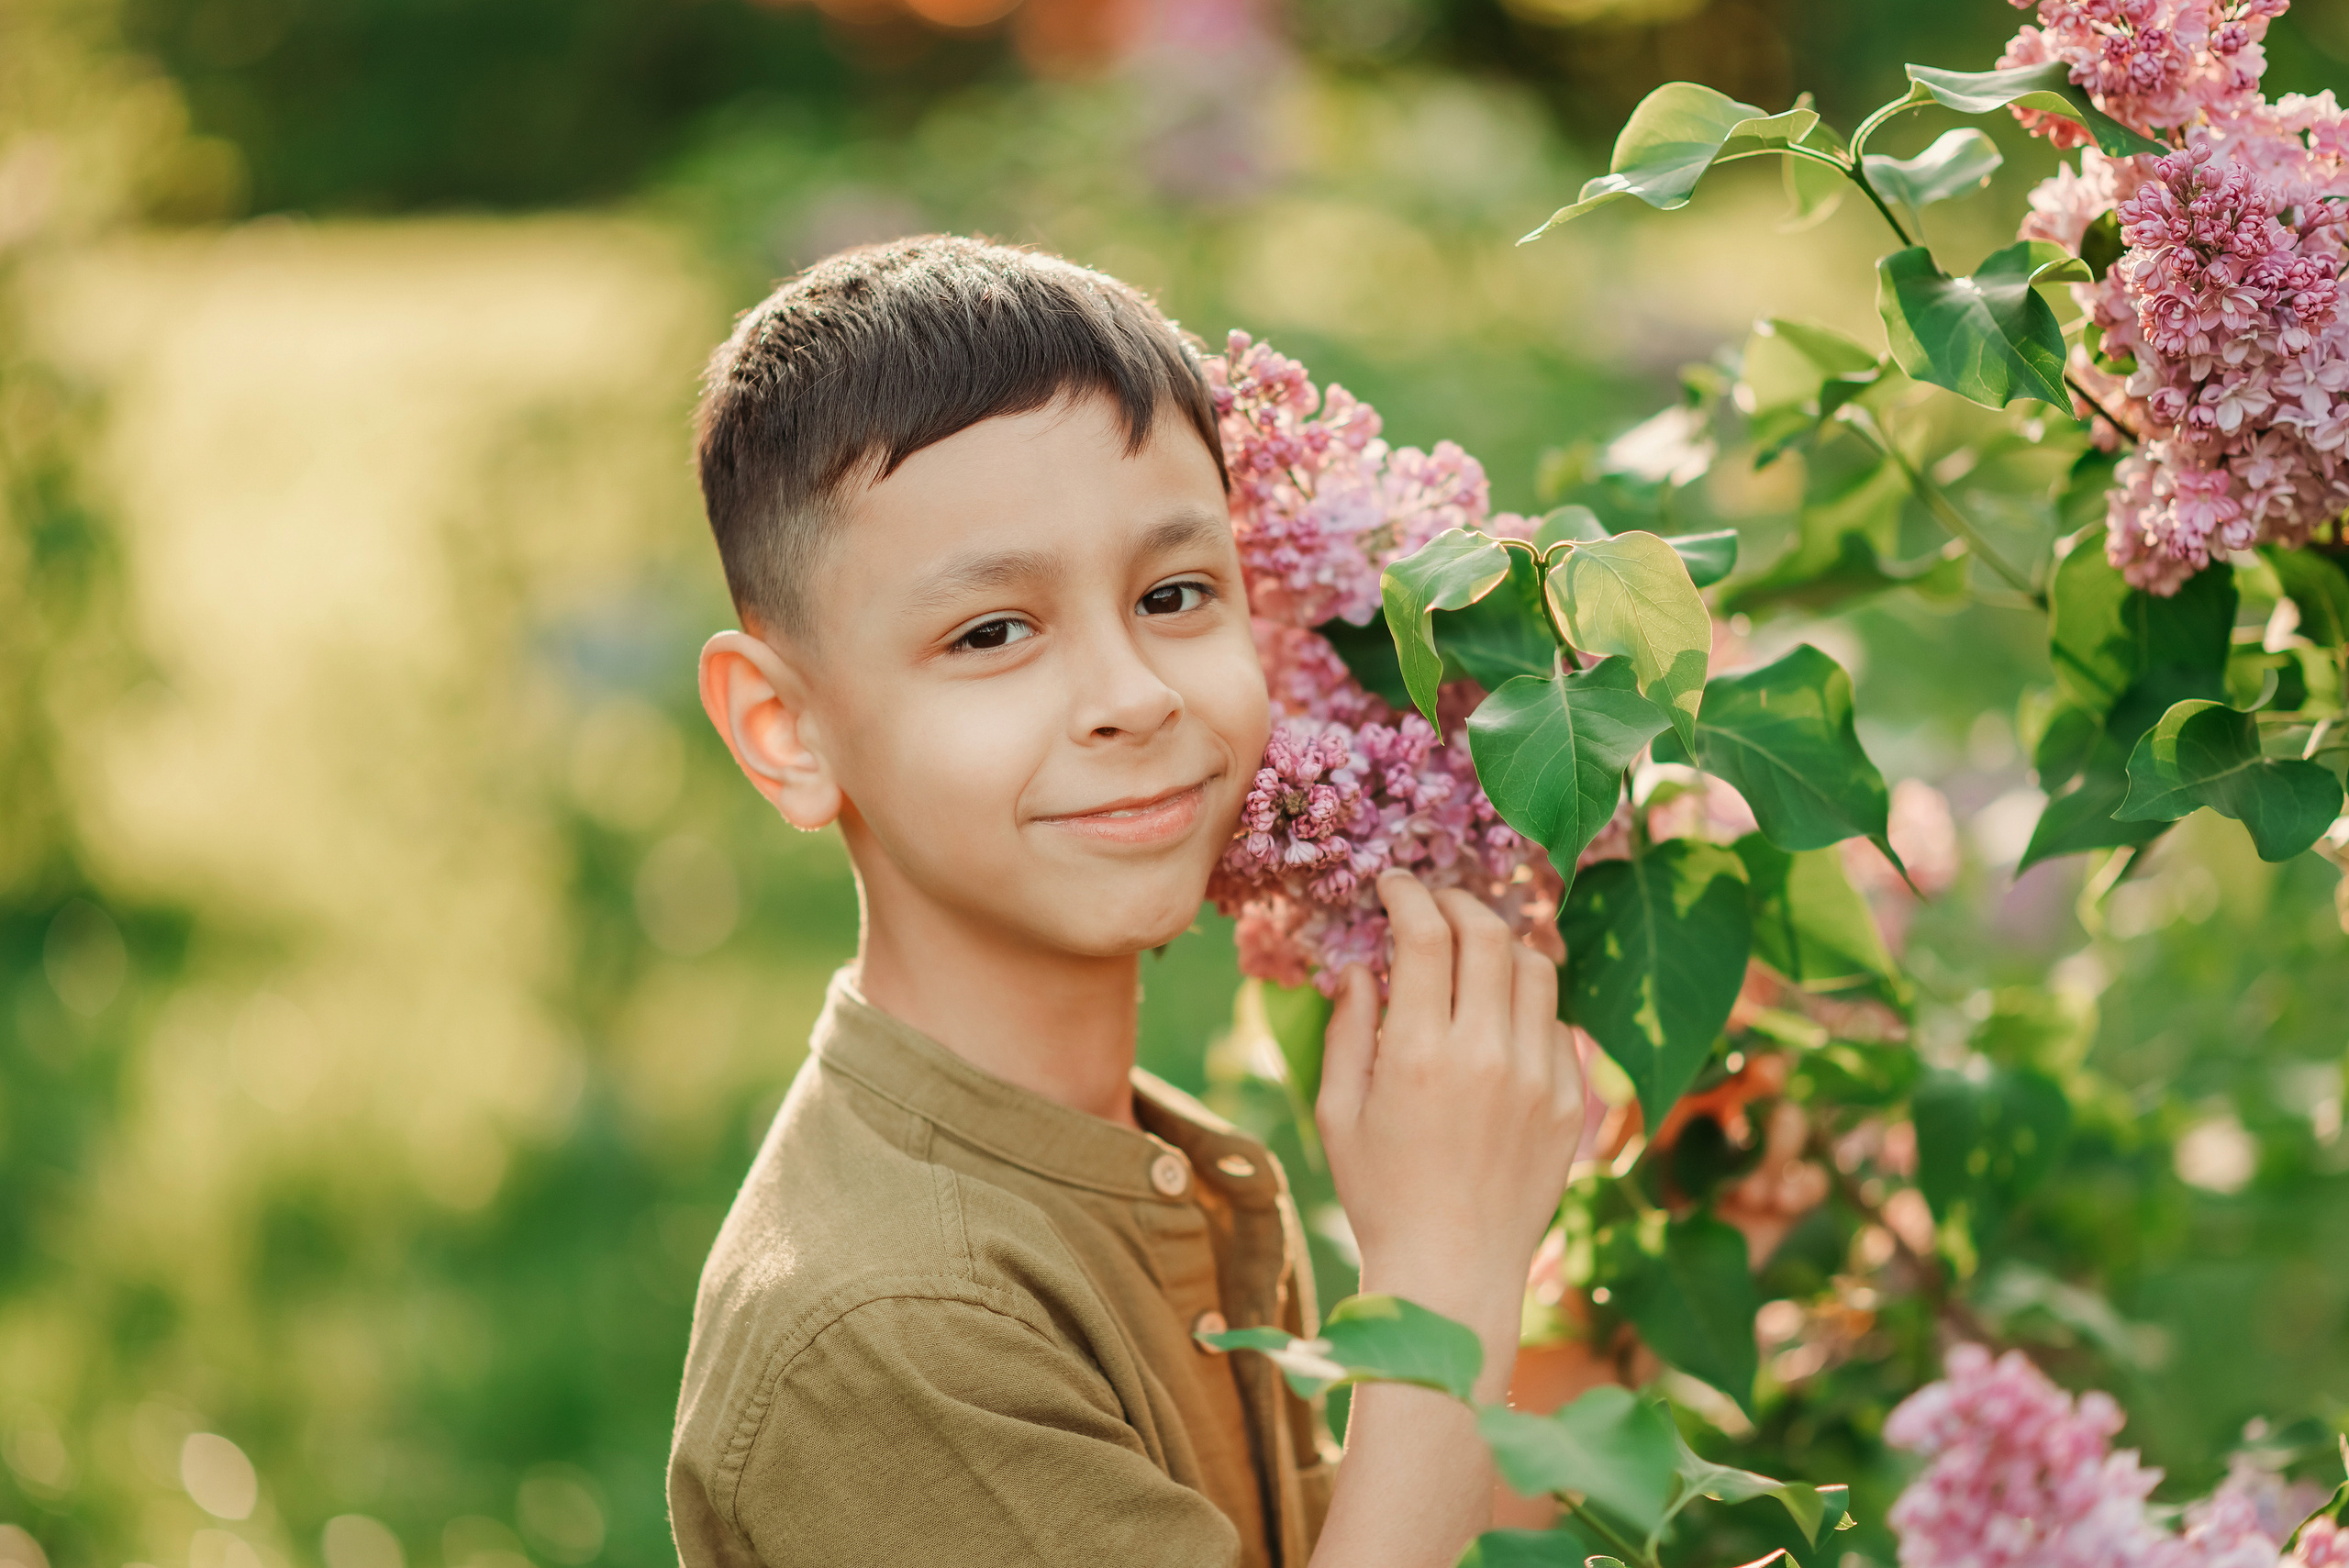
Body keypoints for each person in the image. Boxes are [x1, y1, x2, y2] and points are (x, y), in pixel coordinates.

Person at [668, 233, 1585, 1568]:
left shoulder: (1142, 1164)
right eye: (992, 632)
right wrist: (1445, 1269)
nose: (1135, 694)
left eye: (1173, 595)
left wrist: (1614, 1259)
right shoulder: (892, 1326)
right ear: (784, 728)